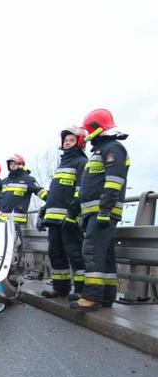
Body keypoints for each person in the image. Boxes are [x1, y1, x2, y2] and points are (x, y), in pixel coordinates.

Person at [71, 109, 130, 312]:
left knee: (92, 252)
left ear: (96, 129)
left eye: (88, 130)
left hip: (102, 212)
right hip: (93, 213)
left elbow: (114, 182)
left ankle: (91, 297)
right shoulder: (100, 151)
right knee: (105, 255)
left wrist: (104, 210)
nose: (86, 135)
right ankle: (106, 297)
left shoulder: (114, 149)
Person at [40, 127, 88, 299]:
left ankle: (82, 290)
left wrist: (73, 212)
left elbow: (81, 189)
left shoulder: (81, 162)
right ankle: (61, 288)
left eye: (71, 140)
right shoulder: (62, 164)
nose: (67, 142)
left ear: (79, 142)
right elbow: (55, 193)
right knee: (56, 253)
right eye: (65, 140)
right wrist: (43, 213)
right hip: (54, 220)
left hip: (69, 218)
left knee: (75, 253)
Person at [0, 154, 48, 279]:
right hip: (3, 221)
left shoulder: (28, 179)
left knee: (15, 247)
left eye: (15, 164)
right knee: (2, 247)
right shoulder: (5, 181)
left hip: (17, 221)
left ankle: (13, 273)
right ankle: (1, 272)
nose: (12, 166)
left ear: (21, 165)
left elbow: (40, 191)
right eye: (11, 164)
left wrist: (51, 202)